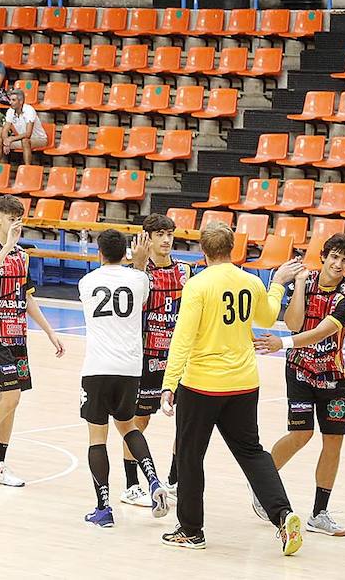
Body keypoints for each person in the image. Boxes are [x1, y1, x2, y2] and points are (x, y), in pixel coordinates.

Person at [159, 222, 302, 555]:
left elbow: (183, 339)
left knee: (190, 456)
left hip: (202, 385)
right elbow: (267, 317)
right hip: (243, 383)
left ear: (204, 252)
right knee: (252, 452)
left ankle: (191, 531)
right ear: (233, 249)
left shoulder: (197, 285)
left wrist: (169, 384)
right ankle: (283, 515)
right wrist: (277, 285)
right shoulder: (251, 281)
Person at [252, 238, 345, 537]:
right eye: (334, 257)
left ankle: (319, 513)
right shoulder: (306, 281)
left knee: (333, 442)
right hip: (300, 370)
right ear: (323, 257)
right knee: (301, 434)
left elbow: (321, 331)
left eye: (344, 261)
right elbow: (294, 323)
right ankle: (263, 485)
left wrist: (281, 344)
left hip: (332, 376)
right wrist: (298, 285)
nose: (337, 265)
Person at [0, 195, 64, 487]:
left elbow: (27, 296)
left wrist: (49, 331)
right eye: (10, 219)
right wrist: (7, 246)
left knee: (11, 402)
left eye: (19, 220)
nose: (14, 225)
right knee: (11, 397)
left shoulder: (22, 255)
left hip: (16, 333)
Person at [77, 230, 169, 528]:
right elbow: (139, 288)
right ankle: (154, 481)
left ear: (99, 253)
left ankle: (103, 508)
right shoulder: (139, 279)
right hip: (130, 369)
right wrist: (139, 265)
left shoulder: (86, 282)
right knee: (128, 427)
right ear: (125, 253)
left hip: (97, 367)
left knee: (97, 437)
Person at [121, 214, 192, 507]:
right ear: (146, 238)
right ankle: (132, 485)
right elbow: (128, 312)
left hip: (177, 358)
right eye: (159, 234)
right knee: (139, 420)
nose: (165, 240)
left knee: (186, 423)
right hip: (145, 356)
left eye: (169, 234)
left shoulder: (186, 271)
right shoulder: (134, 272)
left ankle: (174, 480)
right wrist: (137, 267)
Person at [0, 88, 48, 165]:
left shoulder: (29, 110)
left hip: (39, 139)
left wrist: (11, 139)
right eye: (10, 100)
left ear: (21, 101)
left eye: (13, 100)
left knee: (25, 141)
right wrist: (6, 141)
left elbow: (28, 134)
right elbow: (5, 130)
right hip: (21, 139)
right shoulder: (10, 111)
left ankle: (27, 168)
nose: (10, 102)